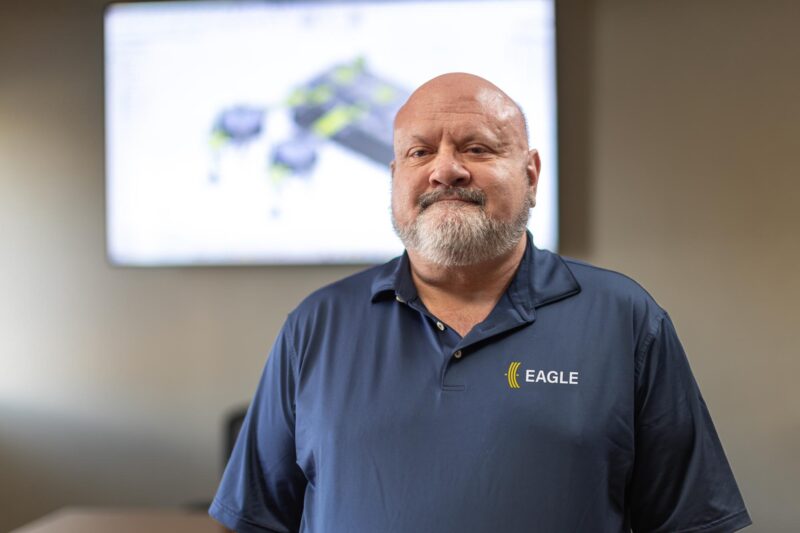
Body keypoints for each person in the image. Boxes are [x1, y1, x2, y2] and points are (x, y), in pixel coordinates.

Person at [209, 73, 751, 533]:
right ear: (395, 177)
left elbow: (690, 522)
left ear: (531, 175)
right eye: (420, 152)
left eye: (477, 148)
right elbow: (260, 519)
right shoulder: (316, 326)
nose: (446, 170)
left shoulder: (626, 320)